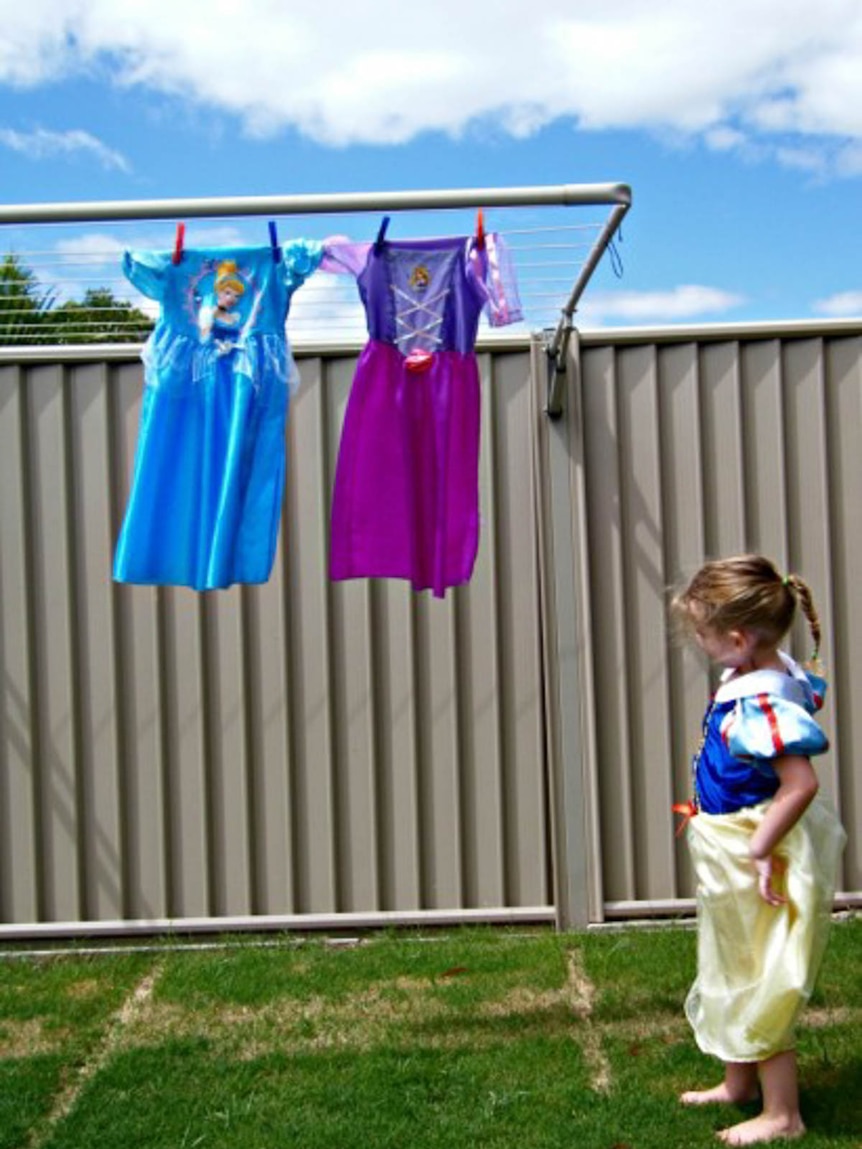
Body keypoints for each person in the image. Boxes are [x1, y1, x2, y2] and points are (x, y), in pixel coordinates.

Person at [670, 555, 846, 1146]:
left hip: (754, 850)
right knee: (732, 961)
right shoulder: (753, 676)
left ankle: (782, 1113)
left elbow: (801, 784)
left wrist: (763, 848)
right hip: (732, 847)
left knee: (761, 975)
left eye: (702, 631)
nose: (698, 640)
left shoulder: (763, 704)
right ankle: (738, 1081)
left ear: (739, 639)